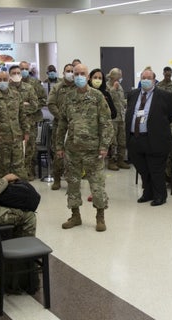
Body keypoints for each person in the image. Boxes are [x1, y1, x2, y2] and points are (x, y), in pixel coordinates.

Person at [56, 64, 114, 232]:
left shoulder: (97, 97)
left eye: (82, 74)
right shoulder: (68, 97)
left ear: (88, 76)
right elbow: (62, 124)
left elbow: (106, 123)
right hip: (72, 150)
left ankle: (100, 217)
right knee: (73, 184)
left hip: (93, 151)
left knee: (97, 186)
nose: (79, 76)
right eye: (76, 74)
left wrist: (104, 146)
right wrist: (59, 146)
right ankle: (75, 216)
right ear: (72, 76)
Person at [126, 69, 172, 207]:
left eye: (149, 78)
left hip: (155, 138)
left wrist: (158, 125)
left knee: (156, 169)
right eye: (143, 77)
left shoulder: (165, 96)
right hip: (135, 138)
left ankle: (160, 195)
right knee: (143, 169)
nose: (146, 80)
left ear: (154, 80)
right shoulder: (133, 94)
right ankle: (147, 193)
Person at [0, 70, 30, 179]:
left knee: (19, 169)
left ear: (9, 80)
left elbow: (22, 115)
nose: (2, 82)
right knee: (1, 170)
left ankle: (19, 192)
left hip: (16, 138)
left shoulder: (16, 95)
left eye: (4, 79)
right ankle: (2, 195)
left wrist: (26, 131)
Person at [47, 63, 75, 190]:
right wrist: (62, 117)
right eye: (67, 71)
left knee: (74, 155)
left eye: (71, 71)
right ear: (63, 73)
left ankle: (72, 180)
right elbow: (51, 104)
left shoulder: (78, 87)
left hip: (75, 127)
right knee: (59, 153)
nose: (70, 73)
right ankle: (57, 179)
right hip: (60, 126)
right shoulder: (57, 87)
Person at [19, 61, 47, 181]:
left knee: (31, 147)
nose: (23, 71)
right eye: (21, 68)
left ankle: (29, 171)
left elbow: (42, 100)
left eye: (26, 68)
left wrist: (28, 107)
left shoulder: (35, 83)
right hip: (16, 122)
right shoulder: (12, 84)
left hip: (32, 120)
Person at [88, 68, 118, 170]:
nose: (97, 80)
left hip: (101, 131)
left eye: (100, 78)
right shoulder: (85, 93)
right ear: (90, 79)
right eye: (95, 77)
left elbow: (114, 113)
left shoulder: (106, 94)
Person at [106, 67, 130, 171]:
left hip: (121, 117)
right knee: (113, 141)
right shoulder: (107, 86)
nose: (121, 78)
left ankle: (121, 160)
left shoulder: (119, 86)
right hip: (113, 118)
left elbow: (121, 100)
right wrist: (113, 89)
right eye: (119, 76)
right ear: (113, 76)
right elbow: (107, 99)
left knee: (122, 140)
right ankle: (112, 161)